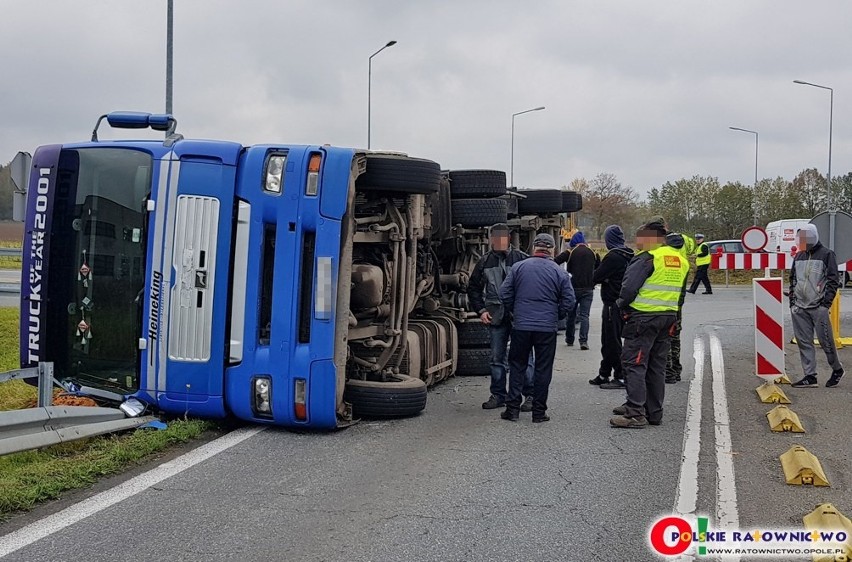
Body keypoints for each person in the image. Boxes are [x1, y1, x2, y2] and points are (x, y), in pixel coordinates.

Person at [610, 221, 689, 429]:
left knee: (634, 363)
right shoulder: (680, 260)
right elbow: (681, 294)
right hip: (668, 316)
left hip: (643, 317)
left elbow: (628, 289)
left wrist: (620, 306)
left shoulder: (648, 257)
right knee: (657, 365)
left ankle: (635, 412)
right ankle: (654, 411)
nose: (637, 242)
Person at [499, 233, 575, 423]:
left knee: (517, 366)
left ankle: (512, 410)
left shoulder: (518, 267)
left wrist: (514, 311)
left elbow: (504, 293)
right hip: (546, 329)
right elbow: (569, 300)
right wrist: (557, 316)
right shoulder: (559, 272)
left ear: (534, 249)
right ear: (552, 251)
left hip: (521, 326)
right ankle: (539, 413)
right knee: (543, 369)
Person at [468, 223, 535, 410]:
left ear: (508, 239)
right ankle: (498, 395)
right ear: (491, 239)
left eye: (502, 238)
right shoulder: (484, 262)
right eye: (495, 238)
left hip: (519, 316)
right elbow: (473, 288)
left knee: (524, 357)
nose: (498, 242)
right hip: (496, 316)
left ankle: (530, 395)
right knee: (496, 358)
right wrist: (481, 311)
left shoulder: (522, 260)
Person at [789, 224, 844, 388]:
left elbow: (833, 280)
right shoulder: (799, 256)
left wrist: (825, 304)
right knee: (803, 341)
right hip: (800, 306)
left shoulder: (826, 255)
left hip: (818, 306)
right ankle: (809, 375)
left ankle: (837, 369)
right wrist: (792, 301)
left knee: (825, 341)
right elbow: (793, 279)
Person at [588, 225, 634, 389]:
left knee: (611, 341)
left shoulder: (613, 257)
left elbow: (596, 276)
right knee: (608, 340)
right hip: (624, 302)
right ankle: (604, 372)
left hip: (612, 303)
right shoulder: (629, 255)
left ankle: (620, 376)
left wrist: (604, 278)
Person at [555, 231, 600, 350]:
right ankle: (583, 341)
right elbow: (599, 269)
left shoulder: (569, 253)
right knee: (585, 315)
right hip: (588, 289)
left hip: (573, 288)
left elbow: (555, 262)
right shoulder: (593, 253)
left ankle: (570, 339)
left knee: (571, 315)